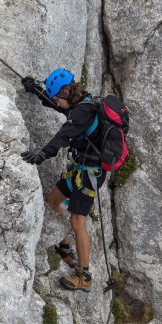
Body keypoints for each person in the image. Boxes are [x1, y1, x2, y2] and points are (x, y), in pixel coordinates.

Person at [21, 68, 106, 292]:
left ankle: (84, 277)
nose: (57, 103)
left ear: (67, 92)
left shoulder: (82, 112)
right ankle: (65, 247)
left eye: (59, 97)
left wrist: (42, 154)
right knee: (52, 201)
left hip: (89, 175)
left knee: (78, 222)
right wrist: (38, 91)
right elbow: (59, 107)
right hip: (79, 170)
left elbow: (63, 136)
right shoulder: (80, 102)